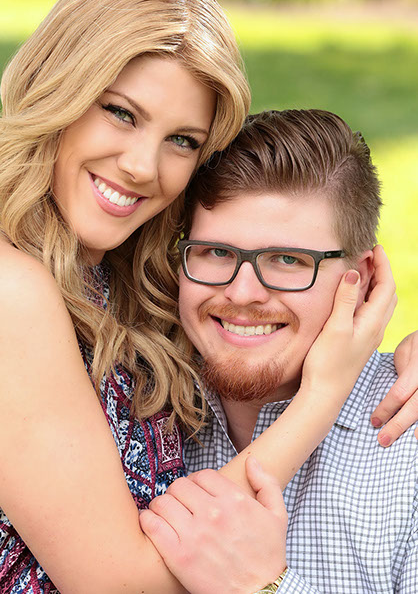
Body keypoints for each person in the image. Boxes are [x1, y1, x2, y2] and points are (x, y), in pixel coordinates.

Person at [0, 0, 416, 591]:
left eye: (183, 140)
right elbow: (122, 584)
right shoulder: (12, 289)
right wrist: (324, 395)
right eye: (120, 112)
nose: (142, 166)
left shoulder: (123, 289)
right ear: (56, 86)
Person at [146, 109, 417, 592]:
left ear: (364, 278)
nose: (242, 293)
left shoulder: (408, 453)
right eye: (216, 252)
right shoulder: (127, 412)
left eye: (288, 260)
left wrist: (266, 586)